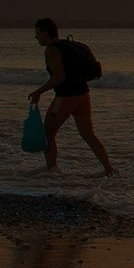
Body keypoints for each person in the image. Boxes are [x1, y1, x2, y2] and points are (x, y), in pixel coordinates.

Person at [27, 17, 114, 175]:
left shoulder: (52, 50)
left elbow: (59, 77)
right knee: (88, 134)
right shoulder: (68, 45)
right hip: (83, 95)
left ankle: (52, 170)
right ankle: (109, 169)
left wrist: (38, 92)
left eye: (37, 33)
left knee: (48, 134)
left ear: (46, 32)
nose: (36, 37)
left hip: (66, 96)